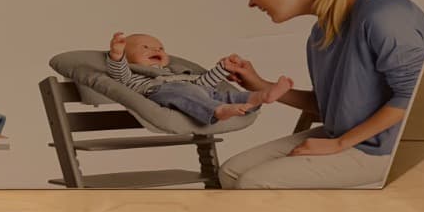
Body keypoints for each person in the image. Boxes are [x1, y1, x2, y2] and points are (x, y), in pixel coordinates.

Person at [217, 0, 424, 189]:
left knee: (254, 184)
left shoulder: (386, 15)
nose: (251, 2)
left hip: (385, 147)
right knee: (230, 173)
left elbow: (414, 95)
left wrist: (340, 144)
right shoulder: (321, 32)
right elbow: (329, 106)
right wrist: (261, 85)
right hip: (345, 136)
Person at [105, 31, 293, 123]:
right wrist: (117, 54)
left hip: (197, 92)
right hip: (161, 94)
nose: (156, 50)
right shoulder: (133, 75)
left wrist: (223, 68)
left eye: (160, 48)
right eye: (145, 47)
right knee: (182, 93)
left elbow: (203, 83)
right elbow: (118, 72)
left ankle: (260, 96)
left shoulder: (174, 72)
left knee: (223, 95)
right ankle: (218, 110)